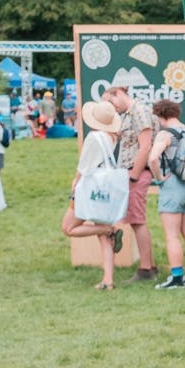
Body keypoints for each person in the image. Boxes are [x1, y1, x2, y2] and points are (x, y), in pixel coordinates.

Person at [62, 102, 124, 290]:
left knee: (68, 228)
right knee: (102, 235)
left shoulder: (94, 138)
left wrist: (75, 184)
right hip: (107, 191)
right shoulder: (113, 138)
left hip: (89, 190)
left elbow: (84, 167)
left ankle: (107, 229)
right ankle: (108, 279)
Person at [105, 85, 160, 280]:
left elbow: (146, 146)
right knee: (136, 220)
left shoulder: (139, 111)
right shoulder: (128, 114)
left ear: (118, 94)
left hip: (136, 172)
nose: (111, 108)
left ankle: (145, 269)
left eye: (110, 103)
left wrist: (134, 175)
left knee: (137, 220)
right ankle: (150, 265)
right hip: (130, 172)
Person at [149, 99, 185, 289]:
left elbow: (153, 158)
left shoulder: (164, 134)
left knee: (172, 235)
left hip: (173, 186)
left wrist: (159, 178)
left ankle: (177, 277)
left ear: (160, 115)